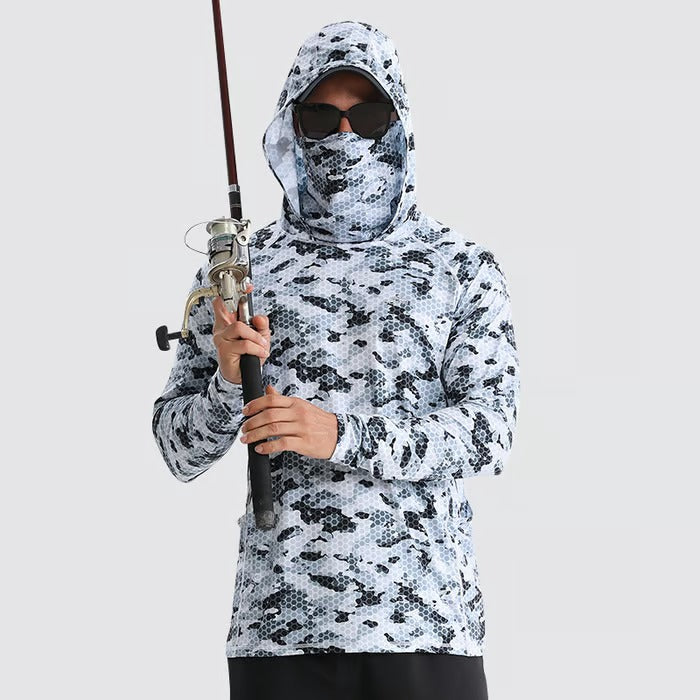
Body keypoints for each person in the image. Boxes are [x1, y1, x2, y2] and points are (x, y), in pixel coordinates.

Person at [152, 19, 520, 700]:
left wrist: (341, 435)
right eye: (321, 117)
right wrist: (228, 384)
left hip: (427, 625)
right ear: (291, 126)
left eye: (368, 115)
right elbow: (179, 452)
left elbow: (489, 432)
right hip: (278, 630)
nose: (345, 138)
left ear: (399, 123)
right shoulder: (240, 273)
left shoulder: (461, 267)